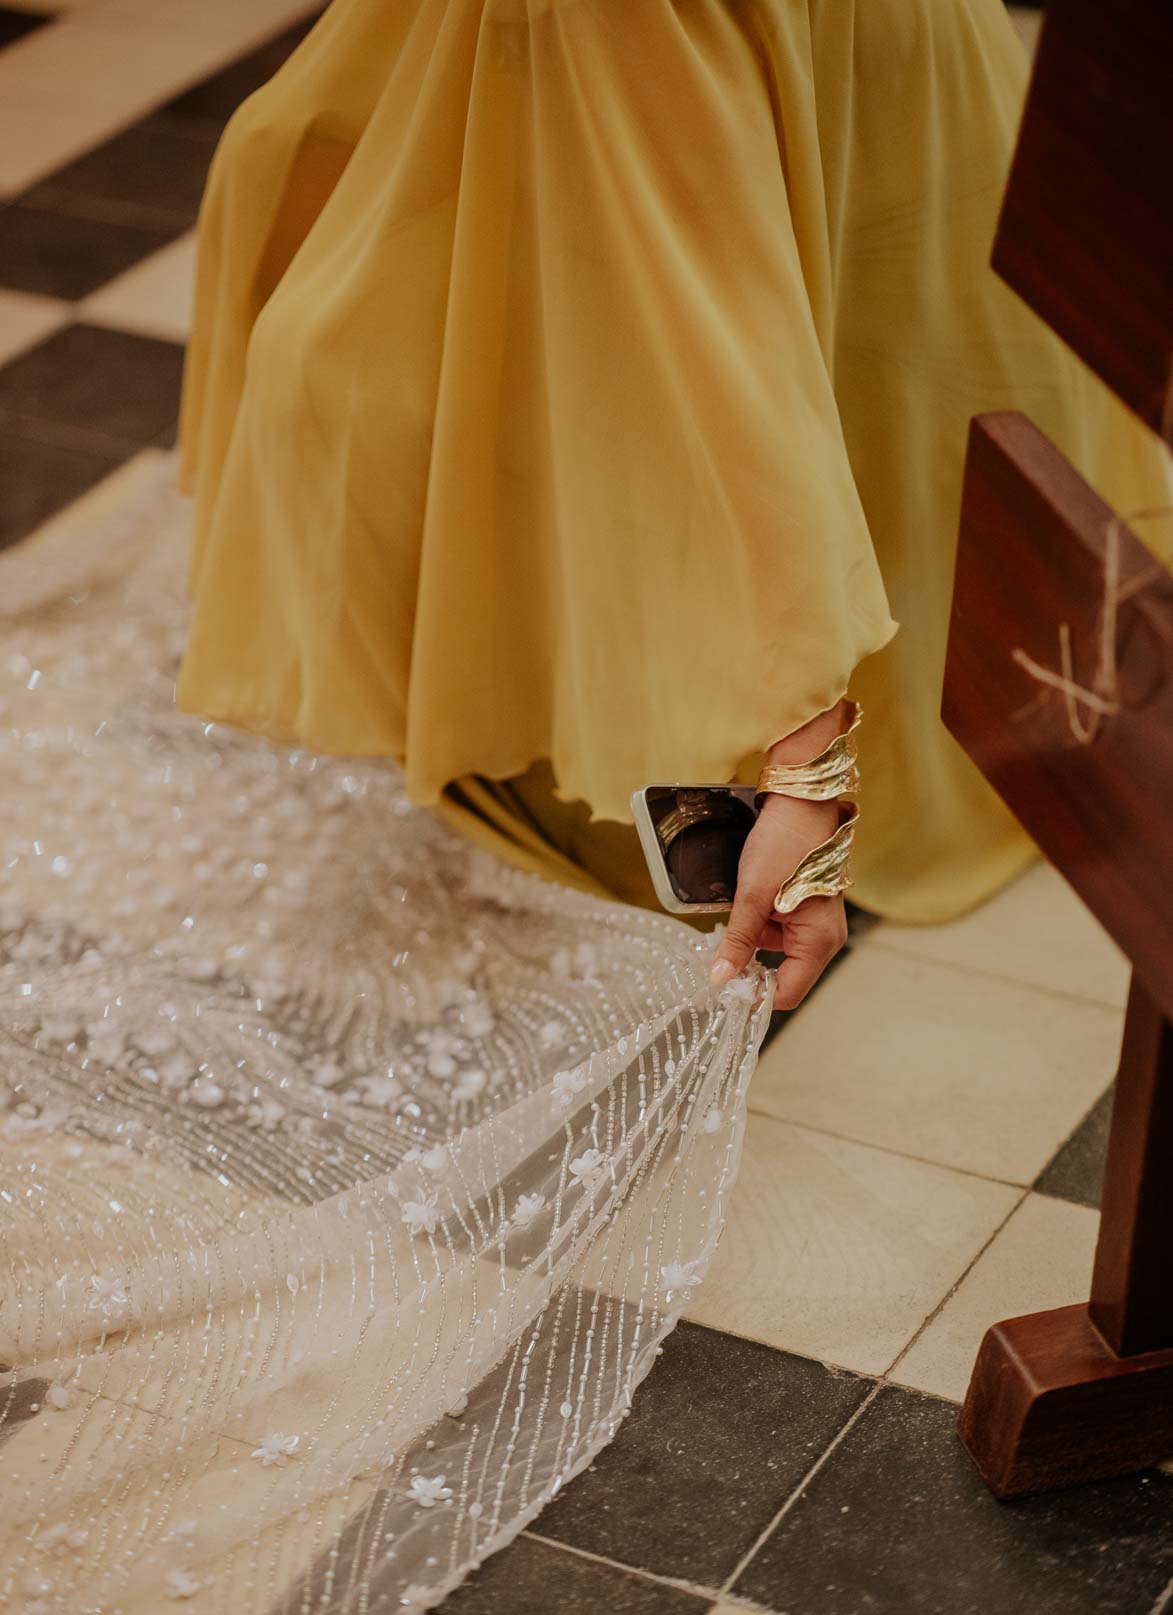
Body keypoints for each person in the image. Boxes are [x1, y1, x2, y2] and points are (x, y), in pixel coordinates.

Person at [174, 0, 1167, 1009]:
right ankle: (933, 680)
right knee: (874, 353)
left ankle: (801, 721)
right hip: (861, 50)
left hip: (678, 50)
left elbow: (729, 369)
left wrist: (804, 767)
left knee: (678, 357)